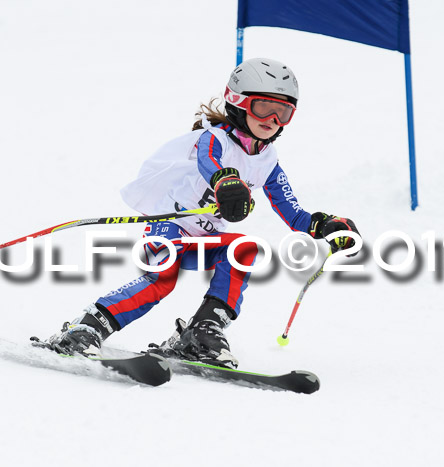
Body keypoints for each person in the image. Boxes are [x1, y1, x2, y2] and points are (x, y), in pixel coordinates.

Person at [40, 58, 359, 369]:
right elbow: (210, 162)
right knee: (163, 279)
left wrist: (325, 226)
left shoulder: (268, 162)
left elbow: (295, 215)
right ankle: (87, 328)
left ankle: (202, 333)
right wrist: (226, 182)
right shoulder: (215, 138)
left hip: (205, 236)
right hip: (170, 225)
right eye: (264, 107)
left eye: (284, 112)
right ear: (238, 102)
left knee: (244, 248)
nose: (273, 119)